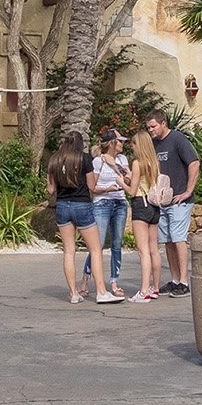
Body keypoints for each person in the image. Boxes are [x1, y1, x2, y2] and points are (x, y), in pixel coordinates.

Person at [144, 110, 200, 296]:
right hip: (162, 201)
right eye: (148, 127)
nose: (150, 130)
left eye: (153, 126)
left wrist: (188, 191)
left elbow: (194, 163)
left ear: (163, 124)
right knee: (168, 241)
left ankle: (184, 281)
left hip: (179, 200)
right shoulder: (153, 143)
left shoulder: (177, 139)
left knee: (178, 239)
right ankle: (175, 279)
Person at [48, 131, 105, 305]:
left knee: (69, 251)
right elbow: (91, 186)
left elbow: (51, 190)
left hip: (63, 206)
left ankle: (73, 293)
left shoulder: (54, 160)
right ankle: (102, 292)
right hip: (81, 205)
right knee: (95, 249)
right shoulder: (85, 159)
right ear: (80, 144)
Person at [81, 129, 130, 302]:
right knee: (98, 244)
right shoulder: (97, 161)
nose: (123, 144)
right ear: (111, 143)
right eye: (120, 141)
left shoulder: (123, 160)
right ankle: (85, 280)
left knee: (117, 244)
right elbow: (92, 187)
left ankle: (114, 282)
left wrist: (123, 171)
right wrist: (107, 189)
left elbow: (128, 180)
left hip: (120, 203)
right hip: (102, 204)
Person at [126, 130, 165, 303]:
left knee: (143, 252)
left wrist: (121, 182)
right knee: (154, 249)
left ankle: (143, 291)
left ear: (138, 145)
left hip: (140, 205)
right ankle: (155, 288)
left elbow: (132, 191)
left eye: (133, 144)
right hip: (154, 205)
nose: (132, 148)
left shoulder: (137, 163)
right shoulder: (154, 162)